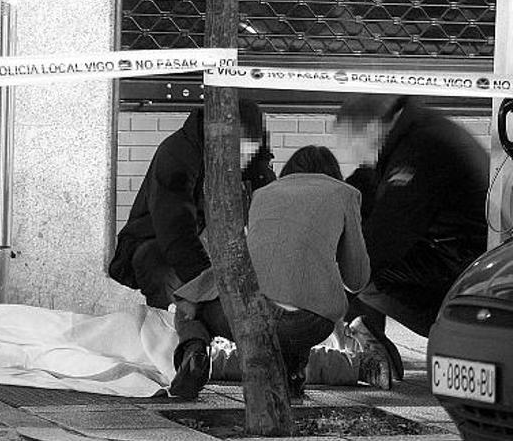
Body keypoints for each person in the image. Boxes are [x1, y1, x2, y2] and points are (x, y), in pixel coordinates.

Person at [168, 145, 373, 399]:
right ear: (333, 174)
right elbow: (357, 280)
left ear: (289, 171)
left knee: (190, 308)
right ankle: (292, 374)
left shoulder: (262, 194)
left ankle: (196, 352)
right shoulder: (345, 194)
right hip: (306, 323)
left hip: (244, 316)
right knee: (297, 310)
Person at [336, 94, 489, 377]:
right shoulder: (418, 131)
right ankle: (366, 327)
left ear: (371, 128)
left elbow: (385, 240)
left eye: (353, 142)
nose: (357, 155)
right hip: (465, 253)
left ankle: (453, 334)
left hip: (467, 268)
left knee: (359, 271)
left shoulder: (418, 150)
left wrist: (328, 280)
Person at [108, 100, 269, 310]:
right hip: (159, 243)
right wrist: (208, 288)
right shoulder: (177, 154)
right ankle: (176, 334)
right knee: (165, 275)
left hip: (210, 245)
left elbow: (266, 201)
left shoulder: (248, 161)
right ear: (219, 140)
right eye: (240, 155)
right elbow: (175, 230)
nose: (243, 163)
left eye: (250, 155)